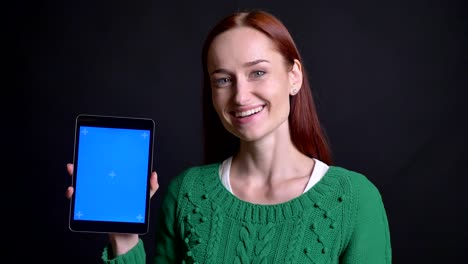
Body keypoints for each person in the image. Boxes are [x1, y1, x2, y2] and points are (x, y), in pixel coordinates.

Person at [66, 9, 392, 263]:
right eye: (223, 80)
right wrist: (123, 239)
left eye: (258, 73)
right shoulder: (187, 193)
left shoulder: (353, 200)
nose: (240, 96)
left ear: (294, 77)